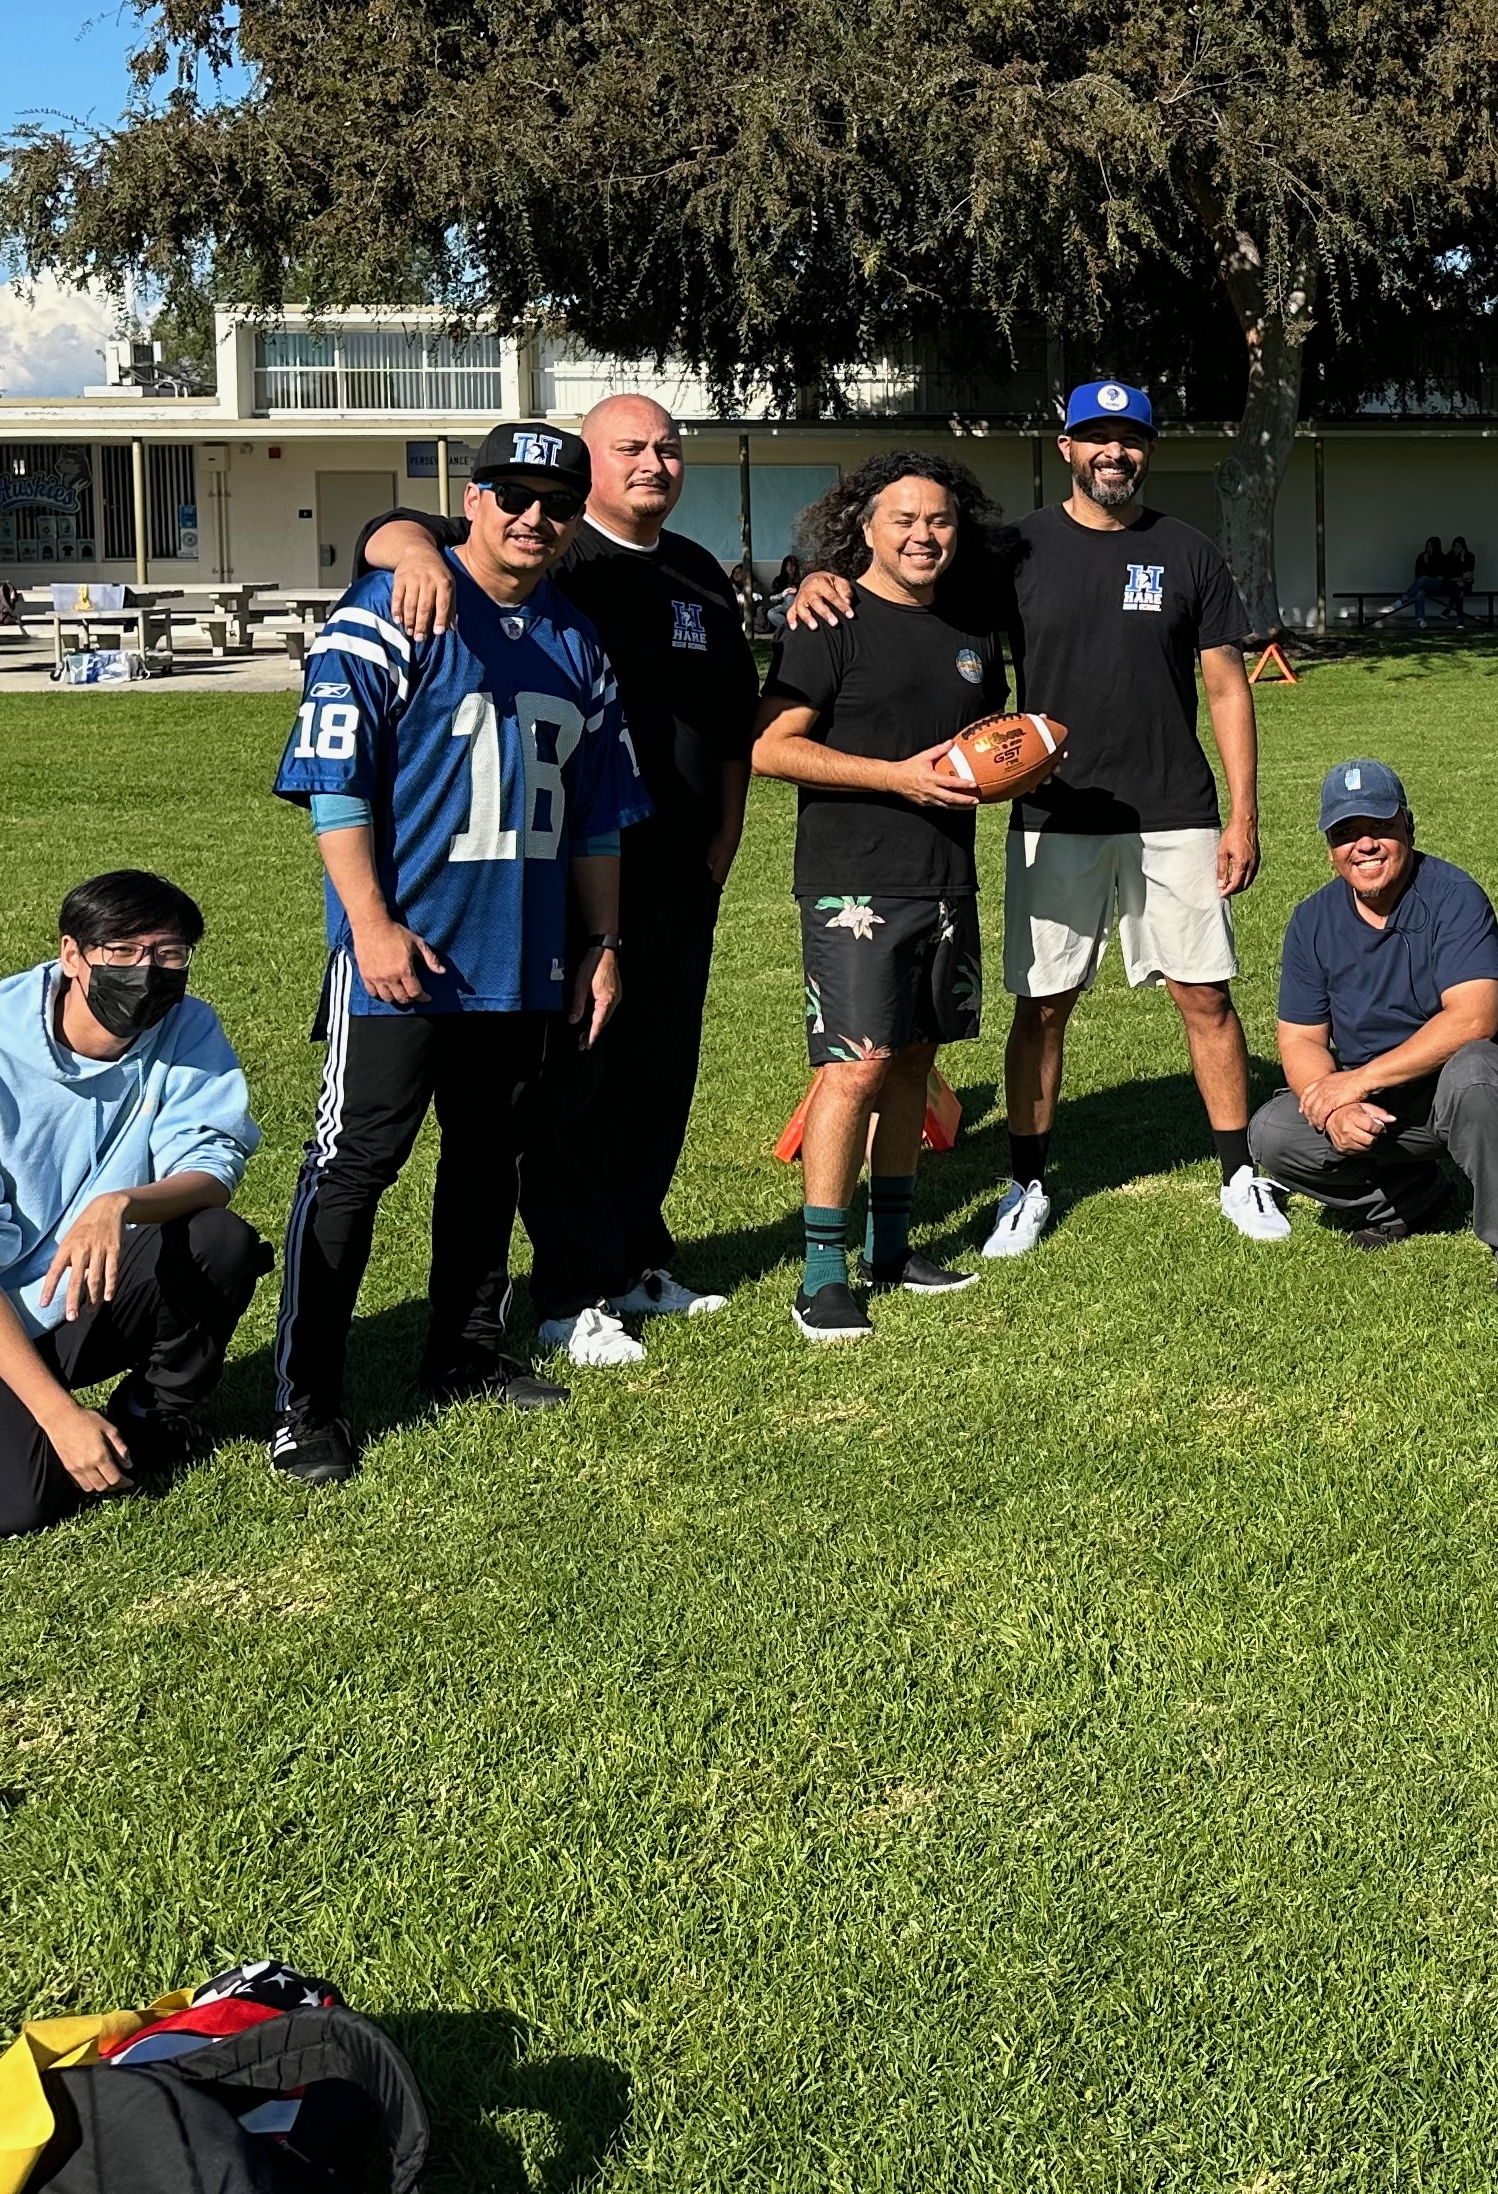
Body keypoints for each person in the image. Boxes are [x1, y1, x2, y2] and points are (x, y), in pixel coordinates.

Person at [786, 380, 1274, 1256]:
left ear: (1149, 449)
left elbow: (1228, 686)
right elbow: (904, 570)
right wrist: (819, 577)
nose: (1113, 453)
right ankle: (1028, 1182)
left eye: (1129, 439)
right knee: (1044, 1004)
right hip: (1049, 810)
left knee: (1206, 995)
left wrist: (1243, 812)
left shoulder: (1189, 550)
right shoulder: (1011, 551)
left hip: (1175, 809)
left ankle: (1239, 1172)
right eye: (1096, 437)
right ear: (1067, 448)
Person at [270, 422, 644, 1485]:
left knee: (490, 1164)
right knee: (353, 1166)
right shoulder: (394, 606)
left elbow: (599, 818)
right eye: (512, 496)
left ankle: (463, 1353)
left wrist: (603, 943)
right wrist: (370, 924)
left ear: (577, 520)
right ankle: (306, 1400)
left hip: (524, 954)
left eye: (556, 503)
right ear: (469, 501)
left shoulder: (577, 641)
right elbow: (334, 783)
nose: (534, 518)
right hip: (407, 954)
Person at [354, 392, 755, 1369]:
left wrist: (727, 839)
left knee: (660, 1079)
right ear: (591, 463)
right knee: (578, 1089)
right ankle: (569, 1291)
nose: (653, 462)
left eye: (667, 447)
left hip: (677, 875)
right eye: (630, 448)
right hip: (570, 871)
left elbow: (735, 721)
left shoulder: (700, 574)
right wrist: (408, 552)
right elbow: (398, 530)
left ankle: (635, 1259)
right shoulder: (550, 539)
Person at [0, 871, 266, 1538]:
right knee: (6, 1513)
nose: (146, 971)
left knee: (218, 1241)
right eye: (121, 951)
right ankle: (35, 1426)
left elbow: (212, 1166)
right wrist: (59, 1417)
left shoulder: (187, 1026)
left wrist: (121, 1202)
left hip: (88, 1293)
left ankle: (149, 1416)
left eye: (168, 953)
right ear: (72, 954)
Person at [754, 451, 1006, 1342]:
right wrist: (894, 779)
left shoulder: (971, 628)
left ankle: (891, 1249)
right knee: (853, 1065)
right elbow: (773, 747)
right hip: (852, 882)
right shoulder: (831, 619)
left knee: (910, 1063)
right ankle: (822, 1274)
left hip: (945, 876)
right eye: (904, 519)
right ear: (864, 528)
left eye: (939, 520)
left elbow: (981, 750)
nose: (923, 535)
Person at [1247, 759, 1498, 1290]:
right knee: (1275, 1133)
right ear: (1330, 849)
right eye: (1346, 833)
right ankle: (1412, 1197)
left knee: (1474, 1073)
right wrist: (1335, 1109)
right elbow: (1300, 1038)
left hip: (1473, 1081)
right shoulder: (1311, 920)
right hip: (1383, 1101)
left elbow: (1475, 1018)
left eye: (1379, 827)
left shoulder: (1452, 894)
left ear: (1408, 827)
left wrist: (1357, 1081)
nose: (1364, 845)